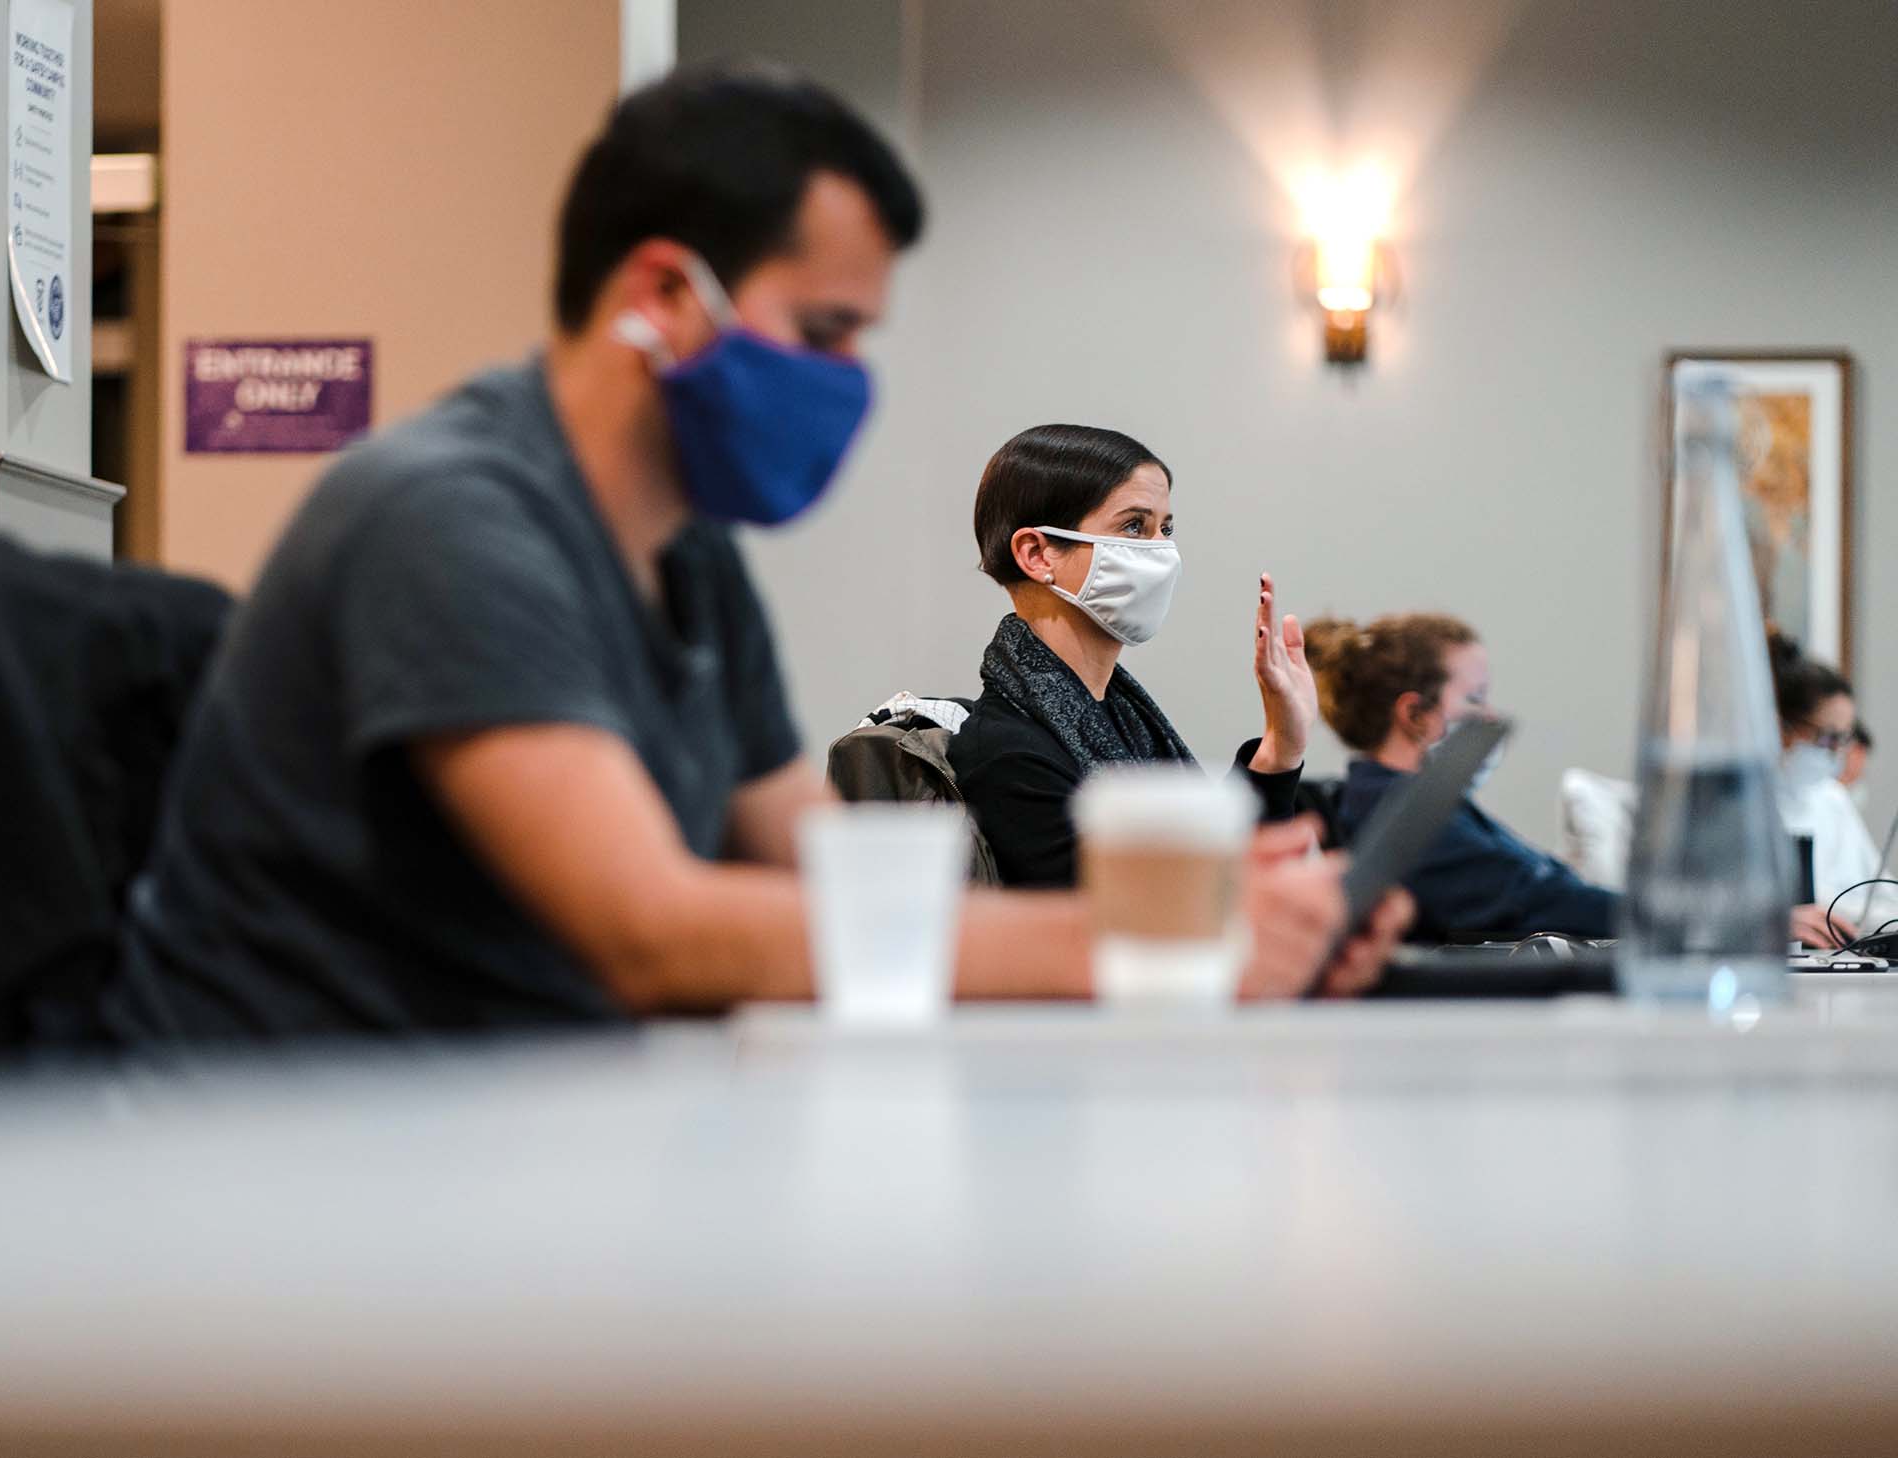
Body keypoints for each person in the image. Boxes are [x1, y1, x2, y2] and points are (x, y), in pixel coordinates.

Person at [105, 67, 1393, 1042]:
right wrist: (1145, 950)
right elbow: (647, 934)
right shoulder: (450, 521)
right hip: (293, 1150)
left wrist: (1216, 920)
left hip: (501, 1119)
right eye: (822, 330)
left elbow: (828, 879)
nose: (845, 384)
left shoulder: (690, 564)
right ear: (663, 299)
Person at [948, 424, 1410, 996]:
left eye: (1166, 528)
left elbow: (1218, 881)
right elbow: (1148, 935)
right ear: (1038, 553)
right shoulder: (1004, 750)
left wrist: (1281, 742)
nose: (1161, 552)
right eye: (1134, 527)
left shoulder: (1122, 719)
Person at [1304, 613, 1851, 948]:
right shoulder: (1402, 819)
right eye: (1474, 698)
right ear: (1414, 714)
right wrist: (1741, 924)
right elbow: (1543, 900)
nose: (1490, 715)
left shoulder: (1426, 808)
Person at [1771, 634, 1893, 933]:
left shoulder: (1832, 801)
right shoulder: (1738, 803)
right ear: (1781, 726)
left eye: (1844, 738)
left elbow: (1885, 899)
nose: (1837, 752)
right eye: (1828, 737)